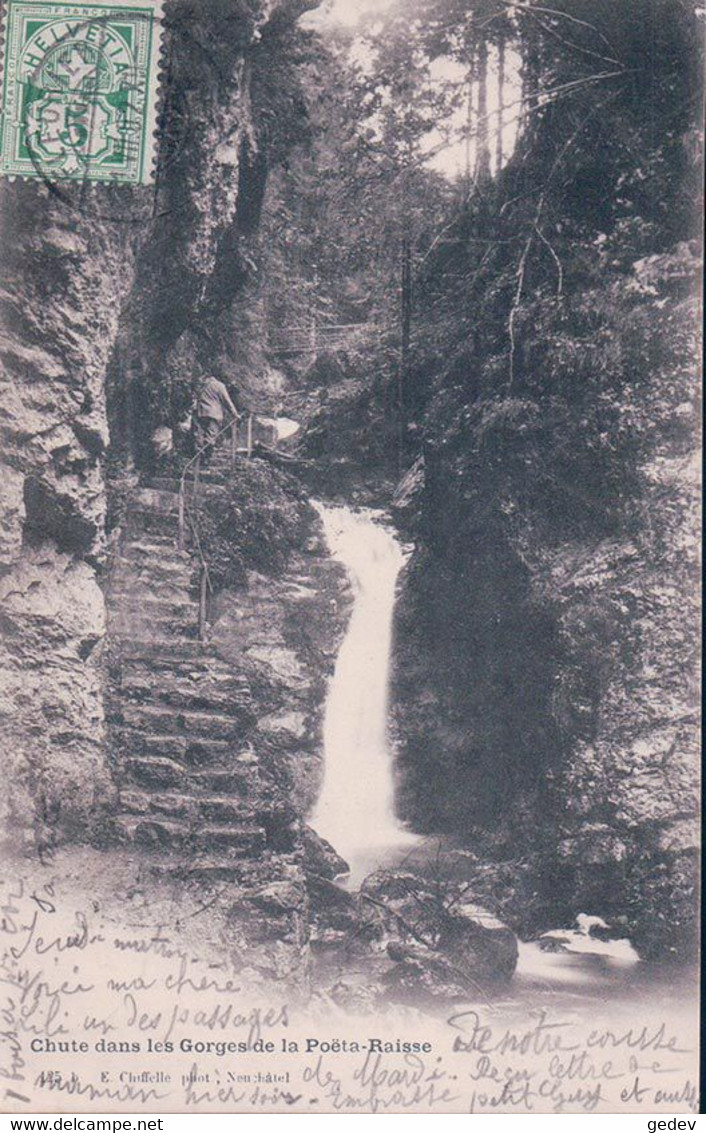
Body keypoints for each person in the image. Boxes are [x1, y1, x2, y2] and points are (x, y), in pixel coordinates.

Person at [192, 375, 240, 464]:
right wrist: (235, 414)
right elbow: (227, 401)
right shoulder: (219, 385)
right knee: (211, 436)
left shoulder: (202, 385)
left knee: (201, 435)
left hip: (201, 413)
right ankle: (206, 459)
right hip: (214, 414)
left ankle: (199, 458)